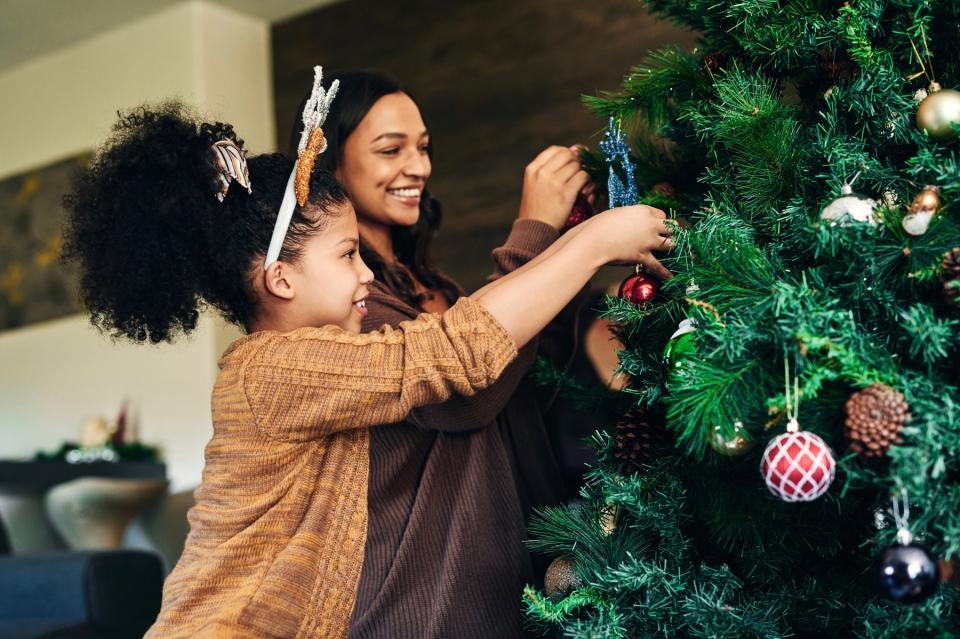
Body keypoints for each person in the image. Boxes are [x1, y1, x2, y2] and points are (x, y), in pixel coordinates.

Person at [62, 95, 673, 637]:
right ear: (281, 278)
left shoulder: (326, 358)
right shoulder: (271, 370)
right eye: (349, 254)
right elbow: (451, 351)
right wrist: (593, 243)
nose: (363, 272)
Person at [295, 71, 650, 637]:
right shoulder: (348, 309)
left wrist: (567, 242)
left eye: (424, 147)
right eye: (391, 149)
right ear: (331, 166)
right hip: (425, 609)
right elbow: (465, 392)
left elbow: (524, 384)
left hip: (516, 590)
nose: (418, 167)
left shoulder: (440, 289)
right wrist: (535, 232)